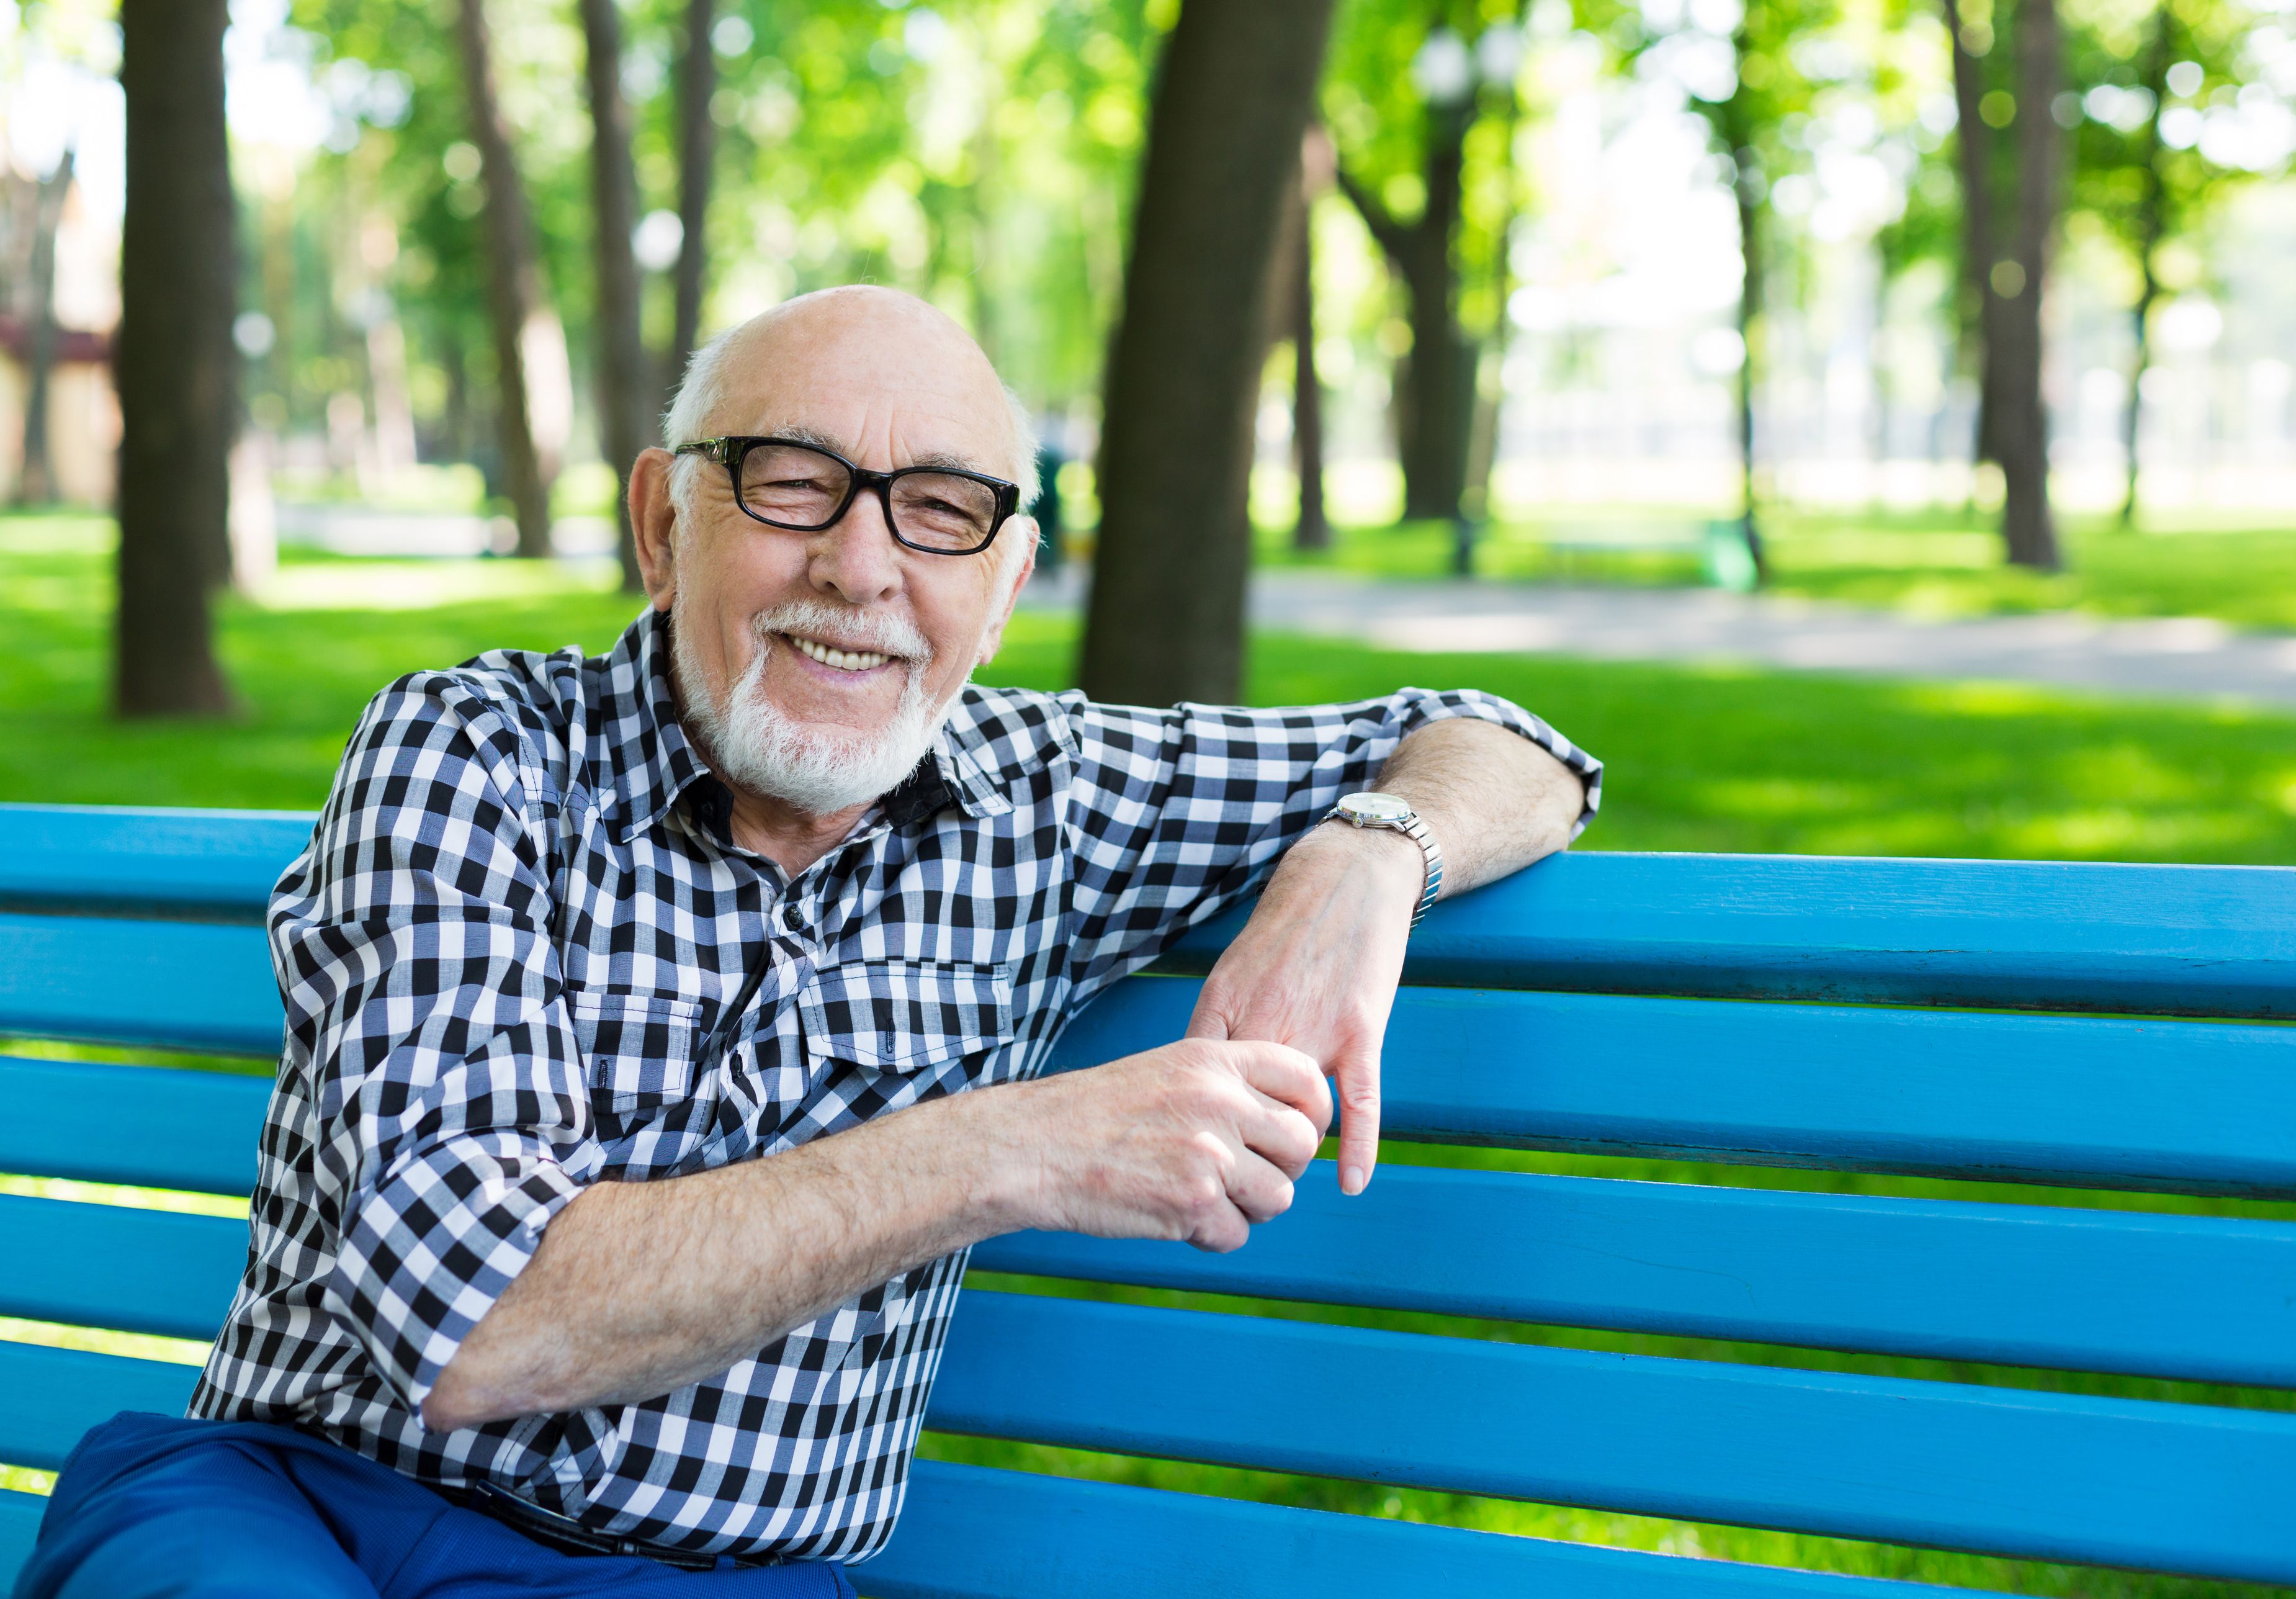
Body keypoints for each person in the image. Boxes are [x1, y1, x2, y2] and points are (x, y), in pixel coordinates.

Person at [14, 287, 1599, 1597]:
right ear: (662, 519)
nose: (861, 565)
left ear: (1007, 584)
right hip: (298, 1511)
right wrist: (1013, 1148)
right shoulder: (473, 748)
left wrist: (1369, 850)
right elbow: (479, 1322)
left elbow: (1512, 746)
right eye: (791, 479)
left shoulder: (1057, 801)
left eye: (943, 512)